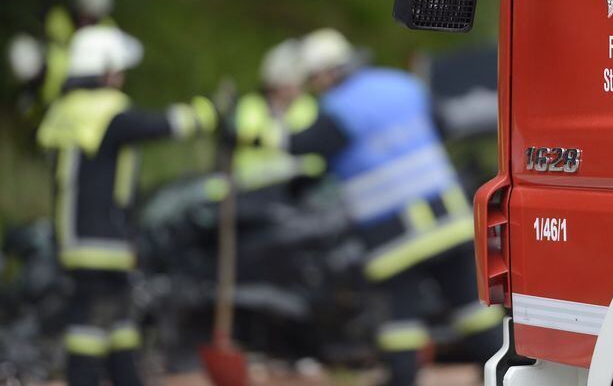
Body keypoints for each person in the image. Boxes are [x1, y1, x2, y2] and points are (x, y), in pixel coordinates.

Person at [264, 28, 504, 385]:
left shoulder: (336, 109)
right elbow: (443, 126)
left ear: (325, 74)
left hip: (394, 234)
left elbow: (300, 146)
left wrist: (275, 119)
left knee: (401, 322)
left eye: (314, 79)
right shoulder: (401, 83)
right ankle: (498, 372)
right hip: (447, 219)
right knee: (473, 310)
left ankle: (402, 379)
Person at [36, 26, 218, 386]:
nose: (121, 78)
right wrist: (209, 114)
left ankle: (127, 378)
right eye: (118, 70)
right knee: (89, 325)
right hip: (102, 238)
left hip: (72, 235)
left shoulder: (63, 112)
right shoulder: (108, 112)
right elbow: (163, 124)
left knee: (118, 320)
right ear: (105, 70)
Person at [230, 38, 325, 197]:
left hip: (298, 190)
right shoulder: (251, 105)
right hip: (252, 188)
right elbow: (246, 135)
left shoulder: (309, 107)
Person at [42, 0, 117, 106]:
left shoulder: (108, 28)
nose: (86, 21)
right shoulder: (59, 19)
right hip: (56, 88)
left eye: (92, 17)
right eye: (84, 14)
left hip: (92, 92)